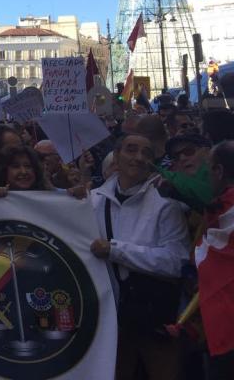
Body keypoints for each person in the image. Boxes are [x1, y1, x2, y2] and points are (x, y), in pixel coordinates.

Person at [90, 134, 189, 380]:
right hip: (110, 320)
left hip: (154, 317)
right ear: (116, 158)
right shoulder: (92, 201)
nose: (138, 158)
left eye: (146, 153)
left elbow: (177, 261)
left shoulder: (166, 206)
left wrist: (116, 250)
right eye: (131, 150)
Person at [193, 141, 234, 379]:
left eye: (208, 170)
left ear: (218, 171)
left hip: (226, 330)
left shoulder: (222, 213)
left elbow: (205, 257)